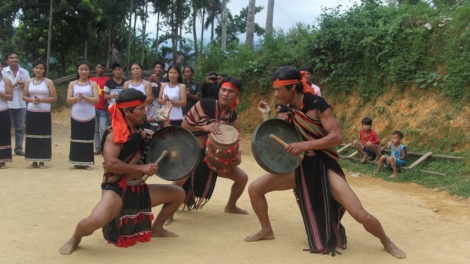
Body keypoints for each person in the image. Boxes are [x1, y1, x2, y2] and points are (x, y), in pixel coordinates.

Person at [245, 66, 405, 259]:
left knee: (359, 213)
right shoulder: (285, 109)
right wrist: (266, 115)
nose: (276, 94)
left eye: (279, 89)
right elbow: (281, 133)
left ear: (293, 87)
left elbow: (336, 137)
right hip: (299, 167)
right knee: (255, 189)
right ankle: (266, 230)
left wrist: (304, 145)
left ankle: (387, 242)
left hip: (322, 165)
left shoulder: (316, 104)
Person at [59, 88, 185, 255]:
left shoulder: (142, 132)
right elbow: (111, 164)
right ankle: (75, 238)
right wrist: (141, 167)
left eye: (145, 107)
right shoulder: (113, 135)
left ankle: (157, 228)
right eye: (140, 108)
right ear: (127, 111)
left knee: (178, 193)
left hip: (138, 188)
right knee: (93, 222)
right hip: (117, 190)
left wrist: (166, 122)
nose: (145, 112)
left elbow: (168, 147)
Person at [165, 76, 248, 225]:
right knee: (179, 181)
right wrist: (204, 127)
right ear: (219, 91)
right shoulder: (203, 105)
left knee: (242, 178)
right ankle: (168, 214)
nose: (225, 94)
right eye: (223, 90)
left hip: (215, 159)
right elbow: (185, 125)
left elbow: (235, 143)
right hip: (194, 153)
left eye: (230, 91)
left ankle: (231, 205)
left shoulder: (233, 118)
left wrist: (236, 158)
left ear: (237, 95)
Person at [22, 60, 57, 169]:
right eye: (36, 68)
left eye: (41, 68)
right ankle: (33, 161)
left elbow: (54, 98)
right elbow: (24, 96)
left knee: (44, 136)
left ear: (44, 70)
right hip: (31, 112)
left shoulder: (48, 82)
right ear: (33, 69)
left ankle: (42, 161)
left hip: (44, 112)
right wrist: (32, 100)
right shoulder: (28, 81)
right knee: (31, 136)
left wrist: (41, 100)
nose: (38, 70)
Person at [66, 59, 99, 170]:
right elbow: (69, 99)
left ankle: (86, 162)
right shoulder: (72, 84)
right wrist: (77, 98)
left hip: (89, 115)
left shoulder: (93, 84)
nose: (84, 72)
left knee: (87, 138)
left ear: (89, 71)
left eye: (86, 69)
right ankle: (76, 161)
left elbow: (96, 99)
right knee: (76, 137)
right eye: (81, 69)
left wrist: (85, 98)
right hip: (76, 114)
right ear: (77, 71)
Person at [1, 52, 31, 156]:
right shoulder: (3, 71)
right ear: (7, 60)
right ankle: (6, 148)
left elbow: (28, 88)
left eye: (16, 57)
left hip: (21, 104)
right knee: (6, 128)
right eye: (11, 58)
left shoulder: (24, 72)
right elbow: (4, 87)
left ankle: (18, 148)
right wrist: (14, 84)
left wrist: (22, 85)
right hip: (7, 104)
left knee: (19, 128)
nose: (14, 59)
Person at [90, 62, 110, 155]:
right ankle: (97, 148)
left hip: (103, 108)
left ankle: (104, 148)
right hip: (92, 108)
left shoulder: (108, 80)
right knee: (95, 130)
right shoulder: (90, 80)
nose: (100, 69)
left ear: (104, 70)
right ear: (95, 68)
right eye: (99, 67)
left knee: (103, 129)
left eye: (102, 68)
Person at [0, 59, 14, 169]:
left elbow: (10, 97)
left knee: (3, 134)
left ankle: (2, 160)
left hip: (3, 110)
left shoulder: (6, 81)